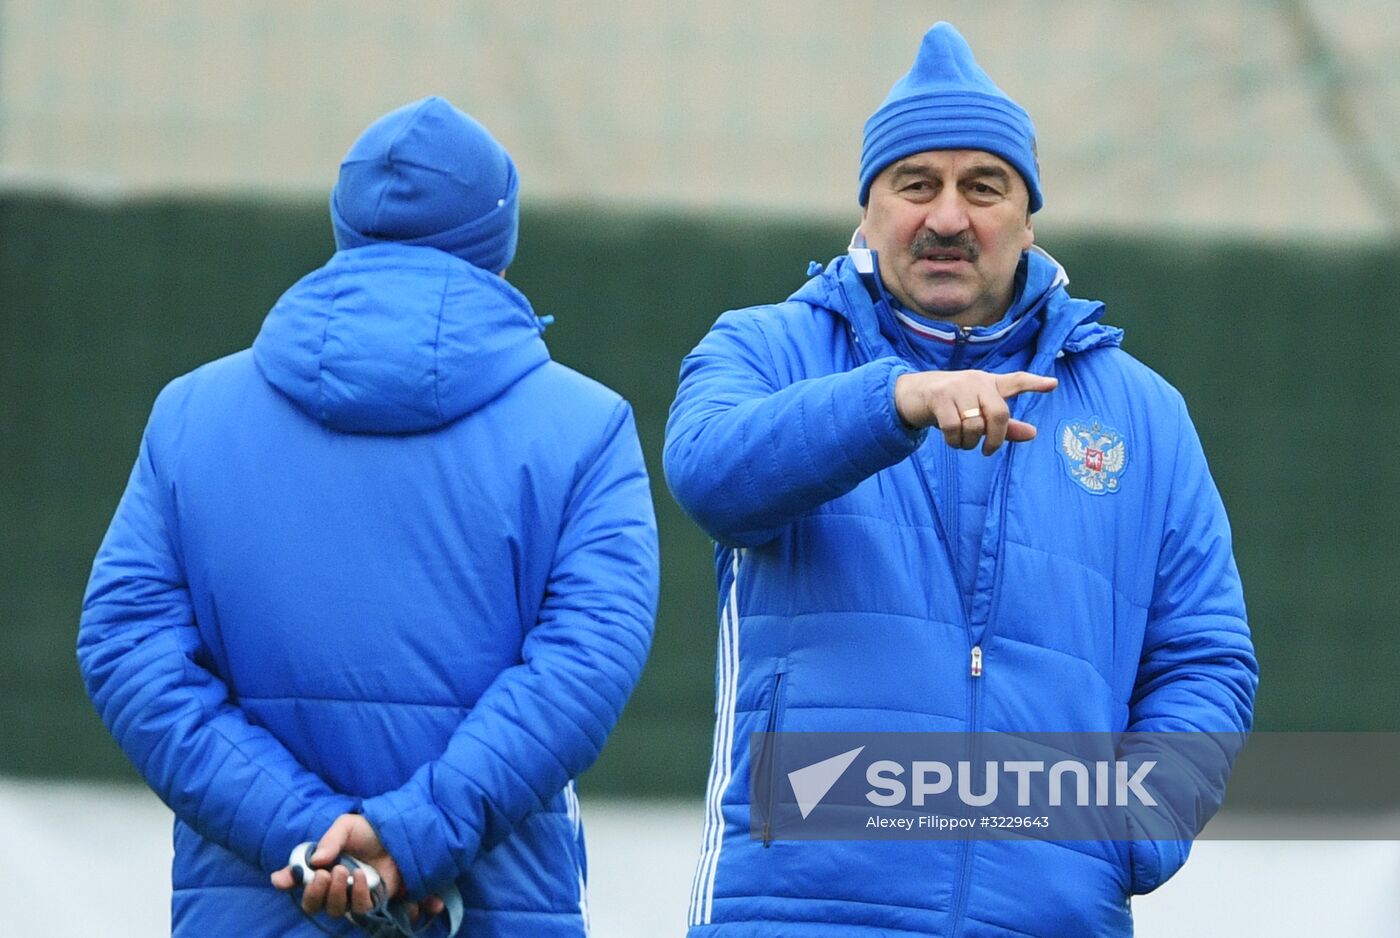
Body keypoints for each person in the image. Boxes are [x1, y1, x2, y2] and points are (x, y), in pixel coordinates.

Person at [664, 22, 1257, 937]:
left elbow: (1205, 657)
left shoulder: (1143, 413)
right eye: (916, 185)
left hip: (1052, 916)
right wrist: (893, 402)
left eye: (983, 187)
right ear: (868, 211)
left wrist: (1132, 830)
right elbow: (710, 475)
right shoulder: (766, 347)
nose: (947, 217)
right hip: (800, 911)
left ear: (1028, 217)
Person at [77, 96, 659, 937]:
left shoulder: (189, 415)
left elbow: (127, 650)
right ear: (497, 243)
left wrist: (310, 837)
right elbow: (584, 665)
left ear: (345, 225)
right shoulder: (587, 425)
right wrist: (410, 839)